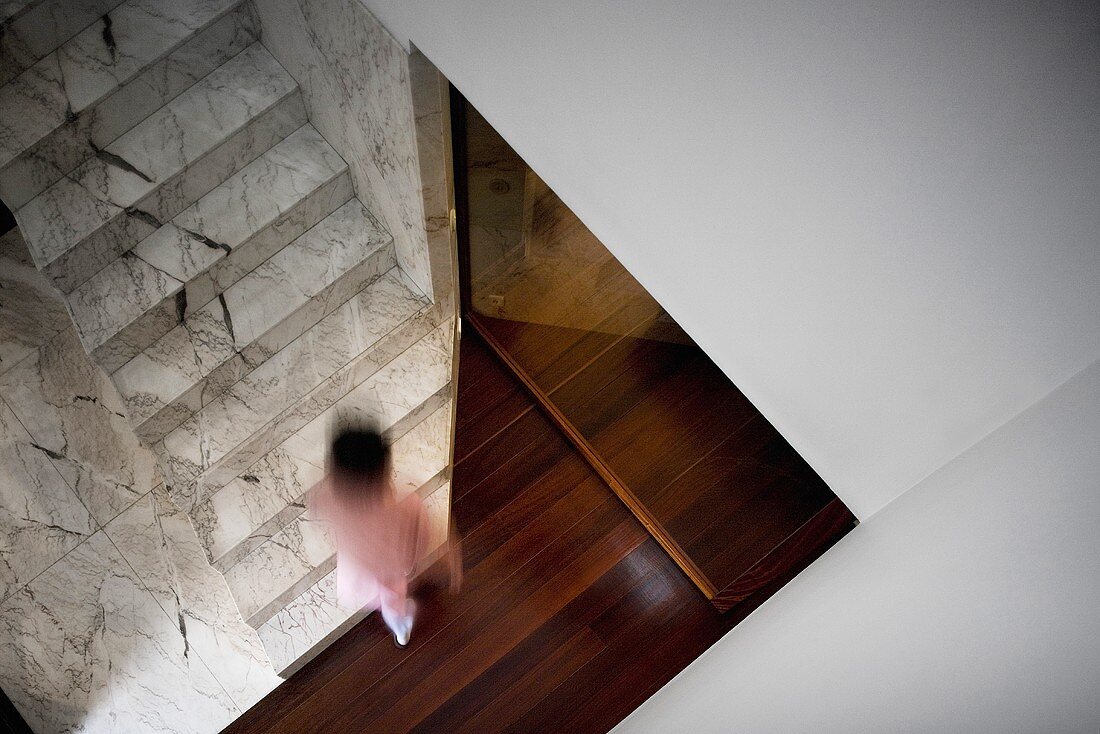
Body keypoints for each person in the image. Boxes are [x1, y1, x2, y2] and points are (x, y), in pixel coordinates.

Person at [307, 426, 459, 648]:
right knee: (393, 603)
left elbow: (319, 501)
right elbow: (421, 532)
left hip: (358, 573)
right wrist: (442, 555)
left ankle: (399, 620)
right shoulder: (404, 508)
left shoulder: (332, 502)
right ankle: (401, 625)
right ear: (384, 475)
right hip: (388, 575)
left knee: (384, 597)